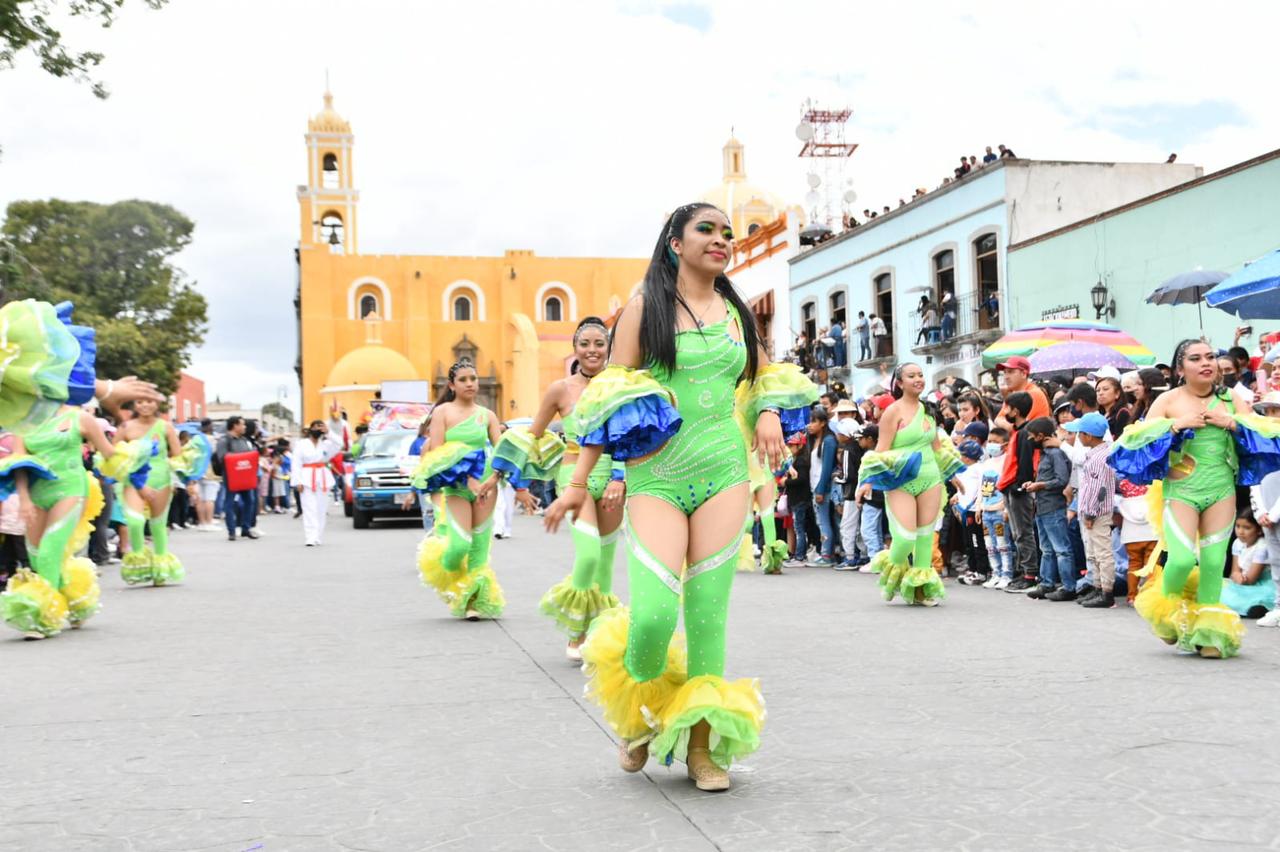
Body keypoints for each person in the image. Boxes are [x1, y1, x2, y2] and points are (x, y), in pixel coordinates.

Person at [543, 202, 815, 791]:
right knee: (654, 616)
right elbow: (611, 400)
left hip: (724, 473)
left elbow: (763, 378)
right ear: (675, 243)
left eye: (728, 233)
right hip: (657, 478)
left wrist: (768, 412)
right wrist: (575, 484)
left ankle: (701, 748)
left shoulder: (737, 310)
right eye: (707, 230)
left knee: (707, 617)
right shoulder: (646, 308)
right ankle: (639, 712)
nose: (722, 240)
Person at [1109, 339, 1280, 658]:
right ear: (1180, 368)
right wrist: (1176, 426)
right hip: (1181, 492)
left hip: (1221, 491)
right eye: (1196, 358)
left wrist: (1232, 423)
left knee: (1214, 563)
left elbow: (1264, 435)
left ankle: (1209, 633)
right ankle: (1166, 614)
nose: (1206, 363)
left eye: (1210, 357)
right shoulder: (1168, 400)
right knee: (1183, 559)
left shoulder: (1231, 399)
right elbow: (1133, 443)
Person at [520, 316, 625, 661]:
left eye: (599, 344)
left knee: (605, 562)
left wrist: (620, 477)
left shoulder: (621, 385)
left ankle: (600, 633)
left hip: (613, 478)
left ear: (608, 348)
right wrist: (520, 481)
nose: (592, 350)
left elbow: (630, 436)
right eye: (585, 344)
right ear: (575, 348)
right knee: (589, 554)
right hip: (572, 476)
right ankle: (577, 630)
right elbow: (533, 435)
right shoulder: (560, 390)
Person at [858, 362, 965, 605]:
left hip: (931, 479)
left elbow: (937, 448)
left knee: (925, 538)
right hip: (900, 480)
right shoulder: (892, 412)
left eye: (920, 375)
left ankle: (921, 589)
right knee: (905, 538)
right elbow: (881, 449)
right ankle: (893, 570)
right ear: (900, 382)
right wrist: (867, 481)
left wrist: (953, 476)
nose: (918, 379)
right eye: (911, 376)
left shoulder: (929, 410)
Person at [411, 359, 506, 621]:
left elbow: (502, 452)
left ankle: (473, 600)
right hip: (456, 485)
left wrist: (495, 477)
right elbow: (438, 454)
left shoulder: (487, 415)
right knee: (458, 546)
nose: (470, 383)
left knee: (479, 547)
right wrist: (467, 478)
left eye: (473, 378)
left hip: (486, 486)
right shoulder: (442, 413)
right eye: (463, 379)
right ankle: (451, 577)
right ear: (452, 385)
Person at [113, 397, 184, 586]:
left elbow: (178, 456)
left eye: (149, 401)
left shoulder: (166, 427)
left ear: (157, 403)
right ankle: (140, 562)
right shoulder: (125, 427)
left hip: (161, 479)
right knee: (135, 521)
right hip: (132, 480)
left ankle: (160, 570)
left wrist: (184, 479)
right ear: (134, 405)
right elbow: (112, 454)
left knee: (158, 526)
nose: (144, 405)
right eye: (140, 401)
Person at [1020, 417, 1076, 601]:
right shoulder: (1045, 454)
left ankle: (1068, 587)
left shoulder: (1055, 454)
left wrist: (1040, 485)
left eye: (1032, 436)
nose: (1030, 440)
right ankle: (1046, 583)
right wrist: (1034, 484)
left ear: (1040, 435)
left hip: (1053, 507)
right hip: (1042, 507)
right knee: (1046, 549)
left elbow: (1062, 479)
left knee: (1061, 549)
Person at [1071, 412, 1118, 607]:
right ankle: (1097, 587)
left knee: (1102, 552)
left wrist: (1091, 513)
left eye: (1080, 433)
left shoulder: (1100, 458)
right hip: (1091, 511)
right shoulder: (1096, 454)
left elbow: (1099, 489)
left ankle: (1107, 592)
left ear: (1088, 435)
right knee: (1092, 552)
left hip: (1097, 512)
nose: (1078, 437)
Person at [998, 392, 1041, 591]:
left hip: (1018, 488)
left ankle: (1030, 573)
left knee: (1023, 532)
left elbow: (1025, 463)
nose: (1005, 412)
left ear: (1015, 411)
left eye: (1007, 408)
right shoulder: (1018, 432)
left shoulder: (1025, 433)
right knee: (1017, 533)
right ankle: (1022, 571)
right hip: (1010, 486)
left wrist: (1019, 486)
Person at [294, 412, 344, 547]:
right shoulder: (301, 444)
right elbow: (296, 463)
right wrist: (297, 482)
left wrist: (329, 432)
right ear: (311, 429)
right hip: (306, 478)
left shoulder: (326, 444)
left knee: (321, 509)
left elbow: (340, 443)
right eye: (316, 427)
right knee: (309, 508)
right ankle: (310, 537)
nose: (318, 429)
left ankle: (318, 536)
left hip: (322, 477)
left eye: (321, 427)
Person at [1221, 509, 1273, 618]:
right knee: (1220, 590)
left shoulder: (1262, 547)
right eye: (1238, 526)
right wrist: (1237, 575)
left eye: (1247, 528)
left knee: (1254, 596)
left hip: (1261, 583)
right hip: (1243, 581)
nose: (1240, 531)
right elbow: (1234, 571)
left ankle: (1261, 607)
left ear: (1259, 530)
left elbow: (1251, 579)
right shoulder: (1237, 543)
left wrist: (1240, 578)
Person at [214, 416, 259, 541]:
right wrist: (239, 460)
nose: (245, 427)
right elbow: (222, 458)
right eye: (242, 424)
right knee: (229, 502)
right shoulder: (224, 440)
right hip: (231, 476)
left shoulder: (244, 440)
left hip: (245, 476)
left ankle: (246, 528)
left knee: (250, 501)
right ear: (235, 425)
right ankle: (231, 531)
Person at [806, 406, 839, 567]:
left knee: (824, 521)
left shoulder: (829, 441)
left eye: (814, 421)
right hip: (815, 486)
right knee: (821, 521)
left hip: (823, 488)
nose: (810, 425)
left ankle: (826, 555)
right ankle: (827, 552)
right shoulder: (815, 440)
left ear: (823, 423)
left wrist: (820, 489)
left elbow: (826, 468)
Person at [782, 433, 813, 569]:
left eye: (792, 445)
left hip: (799, 499)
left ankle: (800, 556)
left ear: (800, 445)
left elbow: (802, 479)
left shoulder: (801, 461)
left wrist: (786, 482)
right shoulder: (796, 460)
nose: (790, 448)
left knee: (799, 528)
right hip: (797, 499)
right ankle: (799, 555)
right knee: (798, 528)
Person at [995, 357, 1050, 425]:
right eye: (1005, 372)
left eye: (1010, 372)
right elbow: (998, 419)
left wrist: (1002, 423)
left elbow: (1016, 426)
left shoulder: (1033, 394)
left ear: (1023, 374)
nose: (1006, 377)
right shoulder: (1014, 394)